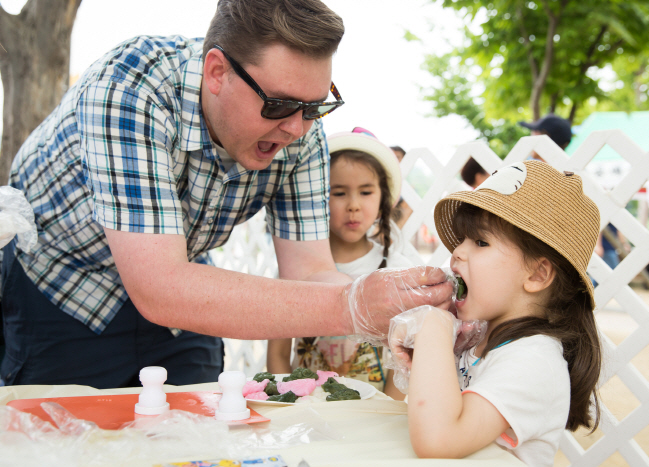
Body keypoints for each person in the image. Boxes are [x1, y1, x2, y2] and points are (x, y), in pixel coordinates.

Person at [1, 0, 453, 389]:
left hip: (182, 303)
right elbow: (159, 286)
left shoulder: (299, 135)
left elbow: (310, 272)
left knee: (200, 441)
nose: (296, 128)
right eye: (277, 105)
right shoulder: (129, 88)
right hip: (61, 291)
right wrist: (350, 305)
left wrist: (403, 315)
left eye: (314, 107)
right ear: (216, 72)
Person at [390, 161, 602, 464]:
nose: (457, 252)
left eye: (480, 242)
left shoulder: (533, 360)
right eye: (462, 239)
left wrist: (433, 330)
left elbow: (438, 441)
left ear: (537, 275)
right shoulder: (476, 339)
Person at [267, 129, 423, 400]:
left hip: (373, 418)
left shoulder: (396, 269)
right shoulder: (294, 269)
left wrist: (383, 411)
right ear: (316, 197)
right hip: (307, 416)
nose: (353, 205)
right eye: (338, 193)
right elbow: (278, 353)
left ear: (382, 198)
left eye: (365, 192)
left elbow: (406, 358)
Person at [389, 145, 413, 229]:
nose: (395, 160)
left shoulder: (409, 187)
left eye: (398, 157)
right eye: (391, 156)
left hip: (400, 224)